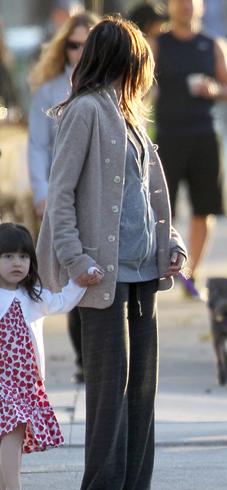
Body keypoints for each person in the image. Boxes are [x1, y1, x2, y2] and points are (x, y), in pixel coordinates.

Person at [36, 16, 187, 490]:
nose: (148, 69)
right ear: (125, 60)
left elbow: (153, 197)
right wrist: (77, 261)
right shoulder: (84, 112)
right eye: (142, 59)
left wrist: (173, 244)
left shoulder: (130, 115)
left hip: (144, 271)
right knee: (109, 386)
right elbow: (59, 197)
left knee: (142, 385)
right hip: (103, 276)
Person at [0, 223, 87, 490]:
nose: (16, 262)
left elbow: (62, 301)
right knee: (12, 427)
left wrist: (81, 280)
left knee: (15, 434)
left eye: (23, 256)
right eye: (7, 255)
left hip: (25, 382)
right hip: (1, 382)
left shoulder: (32, 296)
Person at [27, 12, 99, 386]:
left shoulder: (107, 92)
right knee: (68, 275)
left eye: (87, 44)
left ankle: (94, 354)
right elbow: (37, 147)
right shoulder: (49, 91)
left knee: (93, 273)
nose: (79, 52)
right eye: (73, 45)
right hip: (60, 197)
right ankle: (83, 358)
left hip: (97, 197)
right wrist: (41, 193)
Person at [153, 0, 227, 290]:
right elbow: (141, 85)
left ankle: (192, 271)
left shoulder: (214, 44)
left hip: (204, 134)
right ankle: (163, 265)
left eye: (192, 2)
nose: (186, 7)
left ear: (201, 7)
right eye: (180, 2)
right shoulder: (157, 45)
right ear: (170, 7)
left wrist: (214, 89)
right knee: (162, 206)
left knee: (204, 209)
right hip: (167, 135)